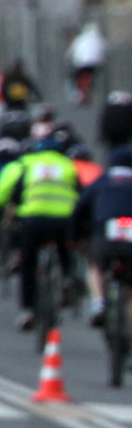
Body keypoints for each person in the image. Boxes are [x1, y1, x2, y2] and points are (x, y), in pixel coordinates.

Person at [77, 147, 132, 368]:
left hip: (105, 236)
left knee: (95, 267)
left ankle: (98, 303)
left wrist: (76, 236)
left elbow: (80, 208)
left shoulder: (102, 181)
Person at [0, 132, 80, 330]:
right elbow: (80, 193)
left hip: (33, 219)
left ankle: (28, 310)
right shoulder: (67, 164)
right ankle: (68, 278)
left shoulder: (25, 163)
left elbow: (3, 192)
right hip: (63, 219)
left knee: (28, 262)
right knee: (65, 250)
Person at [66, 21, 105, 104]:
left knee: (75, 77)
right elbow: (104, 50)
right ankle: (90, 90)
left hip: (81, 63)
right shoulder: (99, 39)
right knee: (92, 76)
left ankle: (78, 93)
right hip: (95, 64)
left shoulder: (81, 38)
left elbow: (71, 51)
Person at [97, 90, 132, 155]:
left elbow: (104, 121)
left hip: (112, 135)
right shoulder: (128, 106)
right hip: (124, 134)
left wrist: (102, 136)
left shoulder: (110, 106)